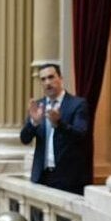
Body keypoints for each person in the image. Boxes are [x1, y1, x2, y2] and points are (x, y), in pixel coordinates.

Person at [19, 64, 92, 195]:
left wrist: (59, 124)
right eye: (43, 79)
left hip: (68, 178)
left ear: (60, 78)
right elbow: (24, 139)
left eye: (51, 77)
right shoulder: (38, 106)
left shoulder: (77, 104)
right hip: (41, 176)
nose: (47, 82)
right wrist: (34, 123)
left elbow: (81, 134)